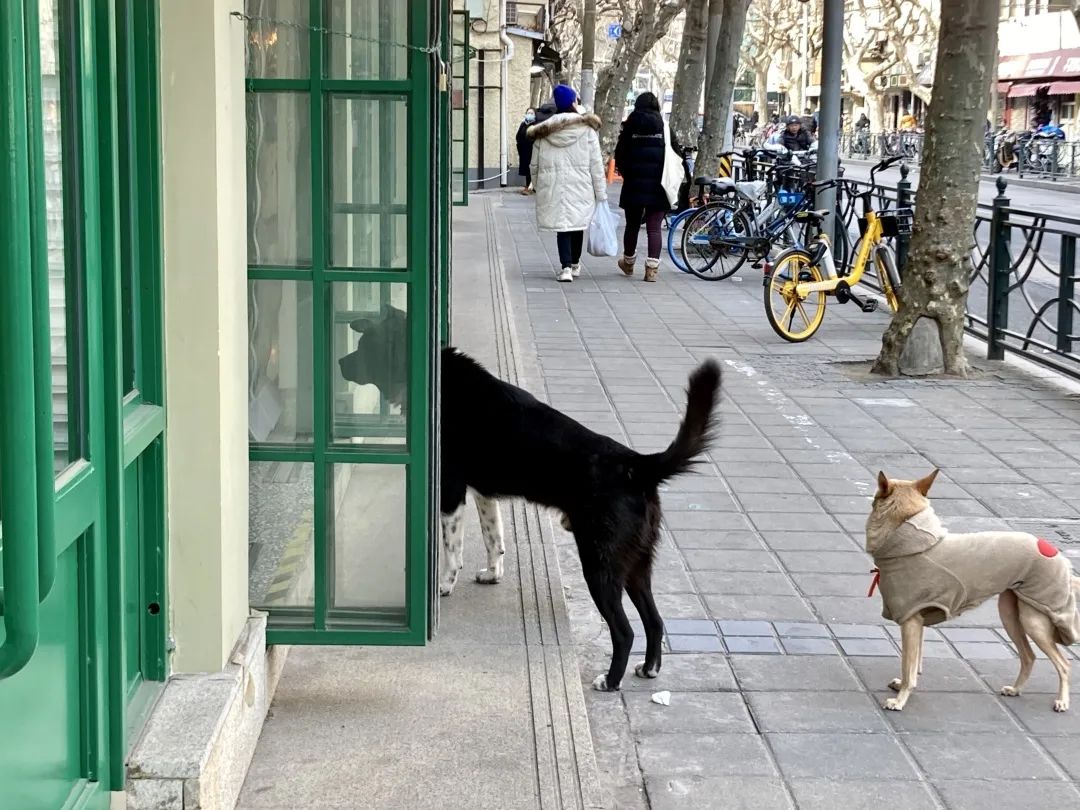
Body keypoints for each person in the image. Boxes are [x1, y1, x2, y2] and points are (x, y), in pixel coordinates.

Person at [528, 84, 606, 283]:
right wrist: (601, 193)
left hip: (553, 186)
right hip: (581, 186)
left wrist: (537, 185)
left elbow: (534, 164)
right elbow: (596, 164)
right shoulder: (587, 131)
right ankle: (575, 263)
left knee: (562, 225)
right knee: (576, 223)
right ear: (573, 102)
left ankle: (565, 268)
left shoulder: (543, 132)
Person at [613, 91, 680, 283]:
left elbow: (620, 155)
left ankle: (628, 262)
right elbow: (676, 153)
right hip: (659, 185)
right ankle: (651, 270)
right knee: (654, 228)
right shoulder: (665, 128)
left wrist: (629, 174)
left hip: (634, 183)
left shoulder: (629, 127)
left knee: (632, 225)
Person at [516, 107, 536, 195]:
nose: (530, 115)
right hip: (524, 150)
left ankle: (531, 187)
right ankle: (528, 185)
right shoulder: (523, 124)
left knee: (532, 168)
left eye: (532, 113)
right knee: (526, 169)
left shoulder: (536, 124)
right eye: (528, 113)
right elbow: (518, 135)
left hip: (532, 150)